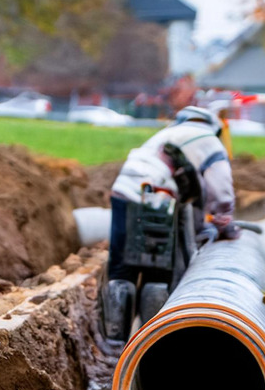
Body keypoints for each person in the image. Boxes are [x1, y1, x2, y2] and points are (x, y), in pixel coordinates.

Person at [101, 105, 238, 340]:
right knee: (157, 273)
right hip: (157, 197)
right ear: (214, 126)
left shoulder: (167, 135)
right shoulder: (209, 141)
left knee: (122, 270)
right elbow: (221, 187)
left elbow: (192, 194)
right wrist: (225, 221)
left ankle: (114, 343)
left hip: (123, 191)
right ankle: (151, 342)